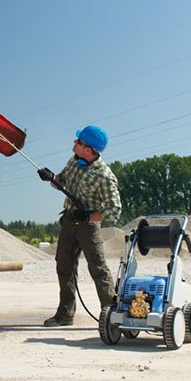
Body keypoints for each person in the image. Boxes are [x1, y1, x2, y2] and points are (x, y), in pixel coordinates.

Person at [38, 125, 122, 327]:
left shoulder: (104, 176)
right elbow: (61, 182)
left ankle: (111, 315)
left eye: (79, 141)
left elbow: (114, 209)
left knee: (98, 269)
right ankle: (65, 315)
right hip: (68, 221)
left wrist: (90, 217)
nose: (74, 143)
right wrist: (52, 179)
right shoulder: (74, 161)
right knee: (64, 267)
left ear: (89, 148)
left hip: (88, 227)